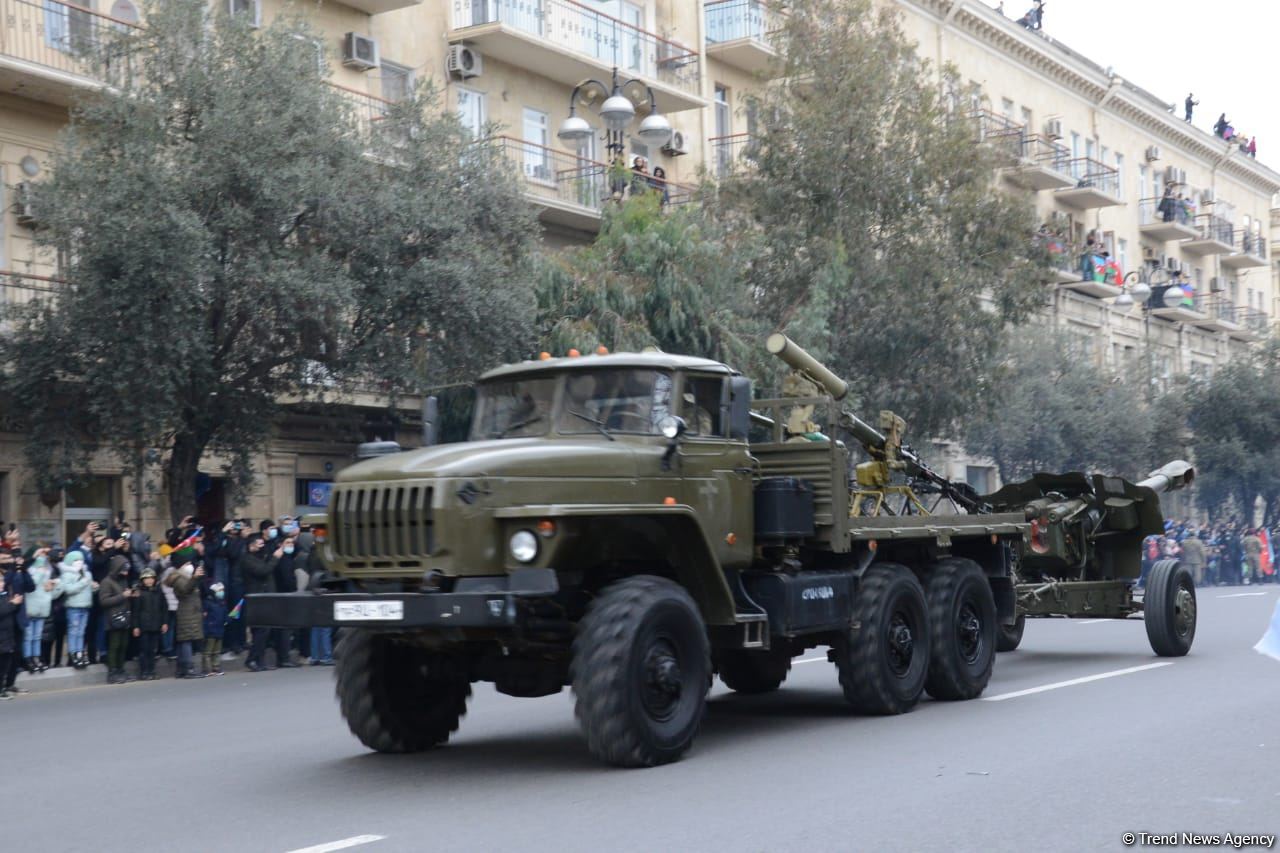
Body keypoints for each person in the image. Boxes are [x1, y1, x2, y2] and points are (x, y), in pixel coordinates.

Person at [243, 535, 288, 671]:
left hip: (266, 597)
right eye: (259, 544)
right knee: (260, 630)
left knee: (265, 630)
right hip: (257, 599)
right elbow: (263, 571)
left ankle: (260, 661)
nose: (261, 547)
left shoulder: (261, 557)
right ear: (251, 546)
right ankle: (251, 659)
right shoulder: (247, 559)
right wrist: (275, 558)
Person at [98, 554, 135, 684]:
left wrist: (131, 595)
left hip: (125, 616)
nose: (126, 572)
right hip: (113, 618)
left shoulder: (123, 580)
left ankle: (121, 669)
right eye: (123, 569)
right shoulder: (107, 582)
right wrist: (122, 596)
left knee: (124, 645)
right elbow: (103, 601)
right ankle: (112, 672)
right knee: (115, 645)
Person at [165, 561, 205, 679]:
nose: (189, 565)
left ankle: (181, 668)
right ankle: (188, 668)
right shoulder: (178, 578)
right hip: (186, 612)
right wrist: (194, 578)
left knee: (185, 640)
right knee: (186, 639)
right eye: (186, 563)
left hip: (191, 612)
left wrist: (196, 578)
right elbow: (186, 590)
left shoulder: (185, 577)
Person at [56, 551, 95, 669]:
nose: (79, 562)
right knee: (73, 631)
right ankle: (73, 654)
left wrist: (94, 588)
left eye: (81, 560)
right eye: (76, 560)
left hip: (85, 605)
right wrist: (83, 583)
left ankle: (80, 653)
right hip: (73, 606)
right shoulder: (66, 575)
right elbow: (69, 589)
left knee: (81, 631)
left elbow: (88, 590)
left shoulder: (87, 573)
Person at [21, 549, 58, 674]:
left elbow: (50, 595)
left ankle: (37, 658)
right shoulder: (31, 573)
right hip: (31, 608)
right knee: (29, 636)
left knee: (37, 636)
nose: (43, 567)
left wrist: (54, 586)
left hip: (42, 609)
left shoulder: (47, 576)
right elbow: (32, 585)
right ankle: (28, 658)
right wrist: (40, 573)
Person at [131, 567, 167, 680]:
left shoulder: (159, 591)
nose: (149, 581)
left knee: (153, 650)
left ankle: (152, 670)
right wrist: (135, 626)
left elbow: (164, 608)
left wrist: (164, 623)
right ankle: (144, 671)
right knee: (144, 650)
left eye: (151, 578)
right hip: (143, 626)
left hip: (156, 625)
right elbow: (135, 611)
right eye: (146, 579)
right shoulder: (139, 592)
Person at [0, 573, 20, 700]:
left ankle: (3, 687)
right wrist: (13, 604)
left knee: (6, 663)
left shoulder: (4, 595)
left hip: (7, 634)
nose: (2, 583)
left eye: (2, 580)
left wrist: (15, 603)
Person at [201, 582, 227, 676]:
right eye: (220, 590)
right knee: (208, 651)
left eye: (222, 590)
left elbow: (224, 616)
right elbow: (204, 617)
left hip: (219, 630)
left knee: (217, 651)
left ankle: (216, 668)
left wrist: (228, 619)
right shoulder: (208, 603)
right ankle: (207, 669)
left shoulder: (222, 603)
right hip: (210, 630)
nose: (222, 592)